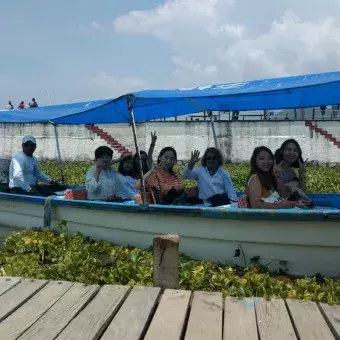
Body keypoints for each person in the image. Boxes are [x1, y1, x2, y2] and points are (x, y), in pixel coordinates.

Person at [239, 146, 308, 209]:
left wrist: (277, 177)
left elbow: (283, 195)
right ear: (255, 161)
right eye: (262, 159)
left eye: (269, 158)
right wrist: (282, 205)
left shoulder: (270, 176)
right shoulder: (255, 178)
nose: (266, 162)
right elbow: (255, 205)